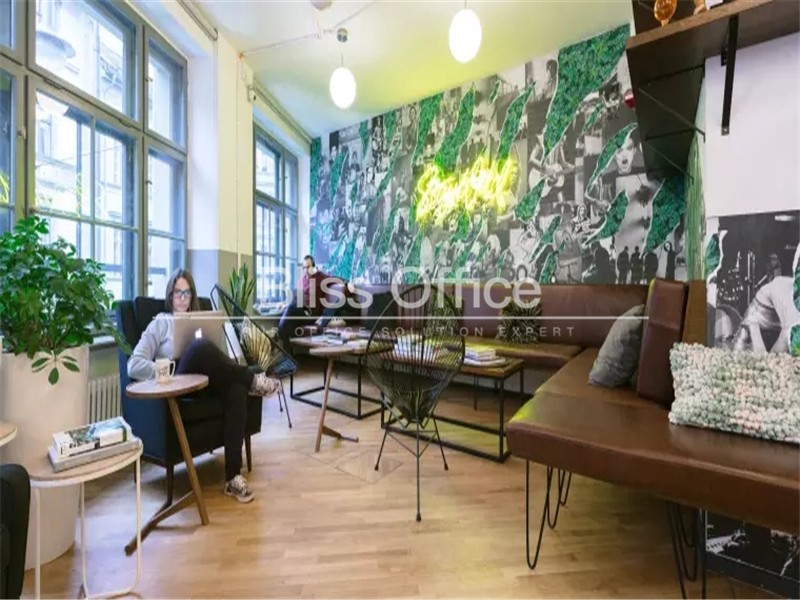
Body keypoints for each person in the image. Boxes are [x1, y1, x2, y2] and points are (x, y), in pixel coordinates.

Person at [127, 269, 279, 503]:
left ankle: (232, 478)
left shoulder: (201, 320)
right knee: (198, 348)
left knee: (236, 389)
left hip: (204, 383)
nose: (182, 298)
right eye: (178, 292)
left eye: (187, 293)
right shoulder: (160, 323)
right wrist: (167, 370)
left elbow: (220, 360)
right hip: (178, 382)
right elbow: (133, 365)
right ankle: (252, 380)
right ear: (170, 295)